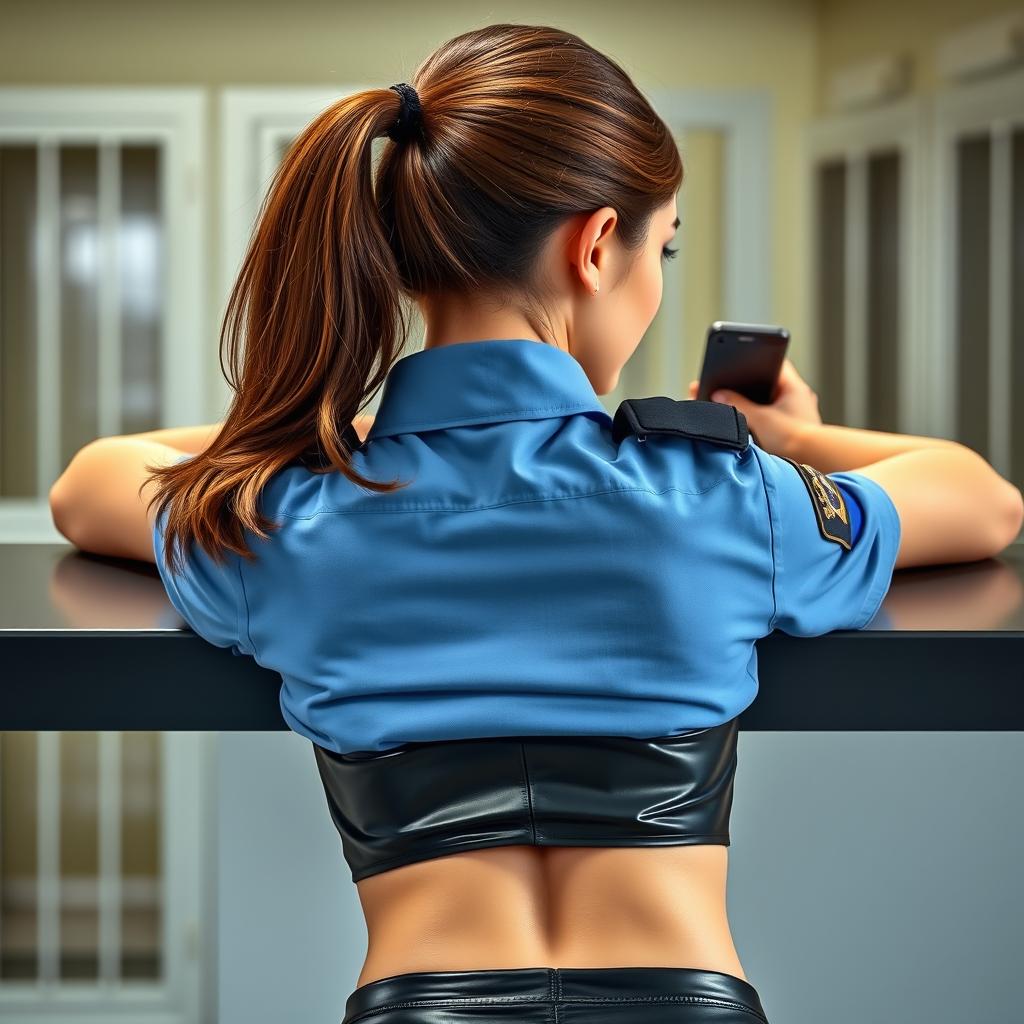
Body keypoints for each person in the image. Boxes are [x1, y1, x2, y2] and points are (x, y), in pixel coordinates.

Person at [49, 22, 1023, 1024]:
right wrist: (798, 440)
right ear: (597, 244)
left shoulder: (292, 518)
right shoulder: (723, 497)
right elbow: (980, 498)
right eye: (664, 246)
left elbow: (93, 483)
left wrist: (352, 430)